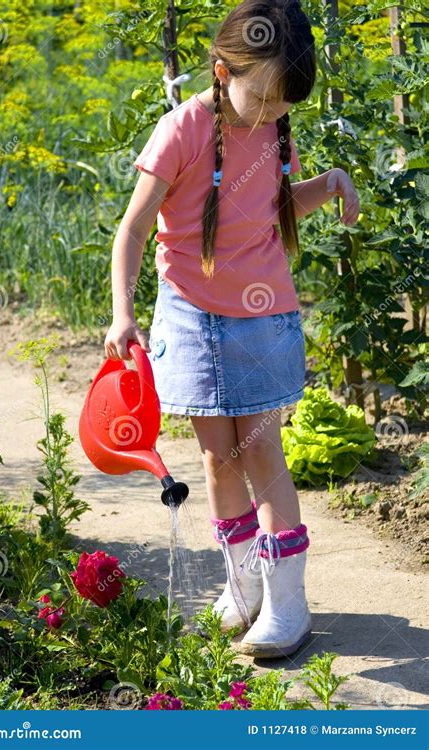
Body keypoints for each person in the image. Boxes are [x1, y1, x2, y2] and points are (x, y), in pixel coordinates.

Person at [104, 0, 360, 658]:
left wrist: (326, 184)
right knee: (218, 457)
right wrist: (122, 312)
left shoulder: (274, 131)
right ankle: (243, 586)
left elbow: (273, 211)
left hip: (262, 319)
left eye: (284, 104)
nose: (275, 114)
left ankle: (288, 604)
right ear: (222, 71)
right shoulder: (183, 129)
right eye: (266, 99)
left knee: (262, 455)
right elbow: (133, 227)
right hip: (190, 320)